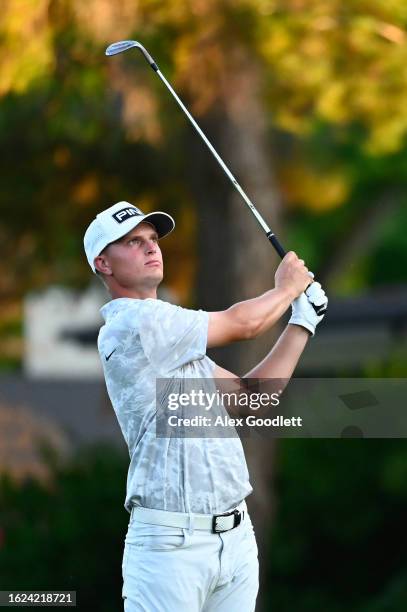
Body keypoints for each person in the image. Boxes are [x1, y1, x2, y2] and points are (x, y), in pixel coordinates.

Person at [83, 201, 328, 612]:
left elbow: (250, 400)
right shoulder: (133, 324)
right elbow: (243, 324)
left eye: (153, 239)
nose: (151, 248)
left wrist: (302, 322)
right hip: (169, 549)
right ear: (103, 263)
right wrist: (287, 288)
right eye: (133, 242)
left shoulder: (174, 339)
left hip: (234, 541)